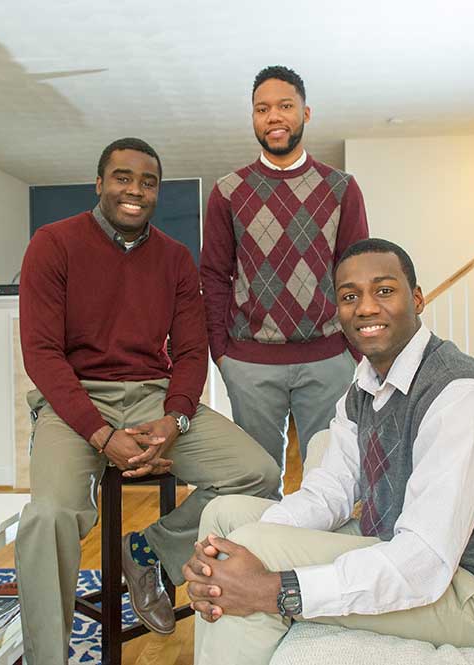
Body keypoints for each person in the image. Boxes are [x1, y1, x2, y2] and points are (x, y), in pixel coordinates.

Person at [185, 238, 474, 665]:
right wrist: (222, 566)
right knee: (223, 520)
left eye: (384, 291)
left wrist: (276, 587)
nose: (366, 307)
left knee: (253, 552)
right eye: (349, 296)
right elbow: (328, 493)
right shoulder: (365, 385)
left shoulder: (459, 396)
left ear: (417, 299)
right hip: (396, 541)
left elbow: (424, 562)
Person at [15, 137, 280, 665]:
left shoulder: (176, 259)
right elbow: (42, 355)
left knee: (259, 472)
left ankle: (150, 552)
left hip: (152, 399)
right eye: (123, 177)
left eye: (148, 182)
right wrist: (100, 434)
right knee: (48, 516)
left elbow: (189, 351)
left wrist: (175, 418)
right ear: (99, 183)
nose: (135, 190)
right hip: (74, 403)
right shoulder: (53, 243)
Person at [200, 65, 369, 475]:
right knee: (257, 479)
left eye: (285, 106)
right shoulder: (227, 192)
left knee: (331, 477)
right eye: (262, 109)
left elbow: (357, 273)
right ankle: (258, 544)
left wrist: (353, 349)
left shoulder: (341, 188)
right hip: (250, 363)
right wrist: (221, 353)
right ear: (254, 118)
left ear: (305, 114)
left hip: (329, 359)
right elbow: (213, 275)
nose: (273, 116)